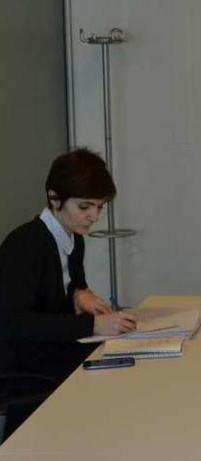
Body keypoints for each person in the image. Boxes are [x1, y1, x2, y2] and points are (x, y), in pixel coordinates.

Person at [0, 149, 136, 437]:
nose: (94, 216)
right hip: (20, 362)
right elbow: (13, 323)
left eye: (100, 207)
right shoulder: (25, 244)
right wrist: (91, 323)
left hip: (49, 347)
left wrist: (79, 293)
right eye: (85, 207)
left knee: (121, 358)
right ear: (54, 198)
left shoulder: (73, 238)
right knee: (108, 370)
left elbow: (65, 290)